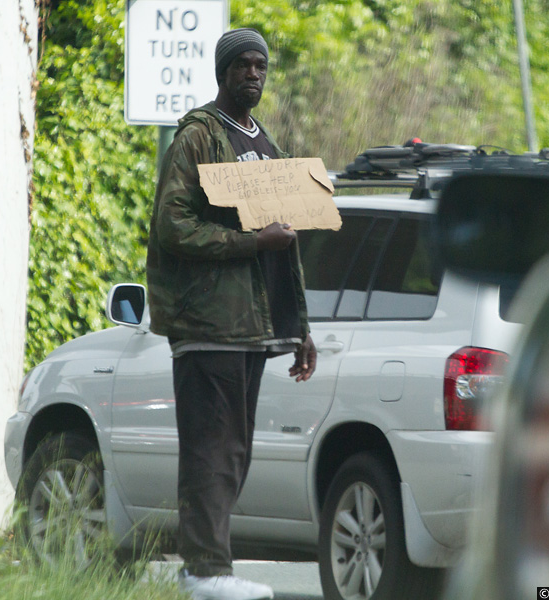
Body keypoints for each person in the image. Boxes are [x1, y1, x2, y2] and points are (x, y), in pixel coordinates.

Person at [146, 27, 316, 600]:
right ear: (222, 72)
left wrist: (300, 330)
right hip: (206, 324)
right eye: (243, 65)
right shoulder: (198, 136)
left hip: (252, 329)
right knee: (210, 450)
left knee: (233, 451)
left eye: (260, 66)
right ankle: (204, 572)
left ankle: (211, 568)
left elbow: (283, 243)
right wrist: (251, 242)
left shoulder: (265, 145)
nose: (253, 74)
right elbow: (173, 228)